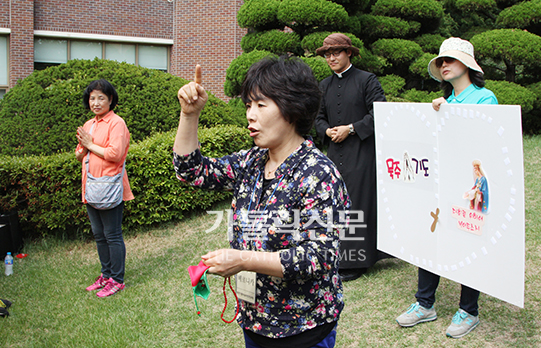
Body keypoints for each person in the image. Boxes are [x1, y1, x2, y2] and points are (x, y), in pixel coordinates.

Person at [173, 56, 349, 348]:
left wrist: (242, 259)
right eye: (247, 106)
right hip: (255, 319)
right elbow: (191, 170)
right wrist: (189, 115)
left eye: (260, 105)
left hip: (303, 328)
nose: (250, 116)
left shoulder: (319, 173)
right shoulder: (252, 161)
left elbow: (319, 256)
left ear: (292, 109)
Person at [396, 37, 498, 338]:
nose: (443, 65)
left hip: (468, 185)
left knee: (469, 242)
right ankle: (424, 304)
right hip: (440, 183)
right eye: (440, 61)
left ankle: (469, 310)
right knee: (431, 239)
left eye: (449, 60)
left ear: (467, 65)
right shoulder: (444, 103)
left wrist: (448, 114)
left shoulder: (485, 98)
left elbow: (483, 141)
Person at [315, 33, 388, 282]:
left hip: (362, 152)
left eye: (336, 52)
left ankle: (359, 260)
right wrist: (326, 130)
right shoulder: (323, 86)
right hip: (334, 154)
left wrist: (352, 128)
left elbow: (380, 113)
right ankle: (338, 257)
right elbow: (317, 117)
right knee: (336, 204)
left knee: (359, 203)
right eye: (327, 54)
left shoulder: (367, 80)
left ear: (349, 53)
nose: (331, 57)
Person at [75, 79, 134, 298]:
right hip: (91, 186)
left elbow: (115, 154)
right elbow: (80, 151)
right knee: (99, 235)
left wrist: (90, 145)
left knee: (112, 234)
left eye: (101, 97)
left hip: (109, 187)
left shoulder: (116, 123)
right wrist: (82, 149)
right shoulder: (90, 124)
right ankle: (106, 274)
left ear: (111, 100)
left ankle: (117, 280)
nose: (96, 102)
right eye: (92, 98)